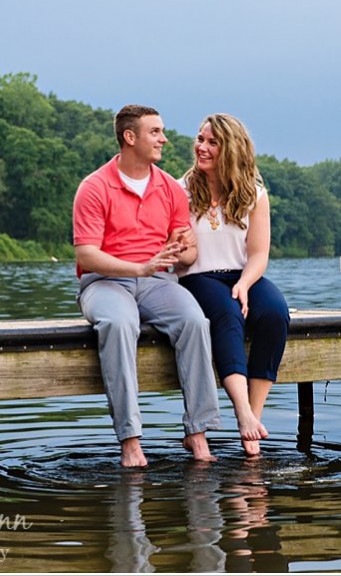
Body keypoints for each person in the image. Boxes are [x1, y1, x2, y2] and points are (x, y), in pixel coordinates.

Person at [73, 104, 221, 467]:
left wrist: (181, 253)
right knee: (121, 324)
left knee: (195, 321)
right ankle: (131, 440)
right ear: (130, 137)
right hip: (105, 283)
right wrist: (139, 267)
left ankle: (197, 432)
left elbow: (187, 254)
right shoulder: (94, 188)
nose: (164, 139)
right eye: (155, 132)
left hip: (157, 281)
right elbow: (87, 255)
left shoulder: (170, 188)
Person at [177, 114, 290, 457]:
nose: (202, 147)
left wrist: (244, 283)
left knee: (274, 312)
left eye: (212, 142)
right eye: (200, 140)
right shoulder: (180, 189)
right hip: (196, 277)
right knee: (228, 315)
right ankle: (242, 412)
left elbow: (258, 254)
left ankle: (254, 417)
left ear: (232, 149)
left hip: (241, 274)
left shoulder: (254, 194)